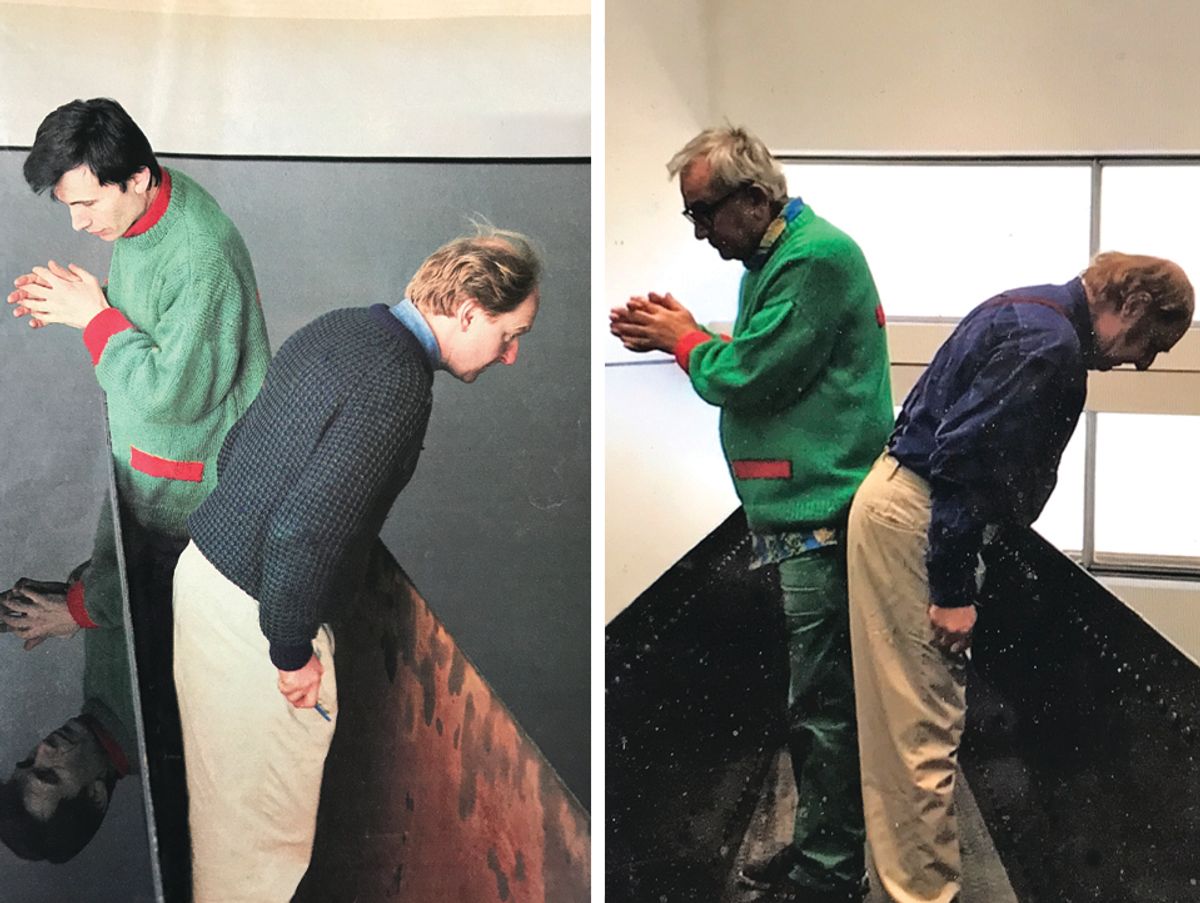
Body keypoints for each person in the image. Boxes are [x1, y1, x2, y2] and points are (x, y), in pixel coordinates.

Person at [170, 226, 541, 903]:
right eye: (509, 333)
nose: (510, 355)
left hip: (201, 579)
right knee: (261, 854)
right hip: (255, 622)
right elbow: (304, 531)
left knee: (222, 826)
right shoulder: (398, 384)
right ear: (466, 311)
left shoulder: (339, 327)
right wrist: (290, 651)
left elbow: (238, 452)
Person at [846, 252, 1194, 903]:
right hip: (923, 517)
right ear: (1136, 307)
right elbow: (960, 462)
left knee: (906, 726)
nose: (1145, 362)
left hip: (906, 506)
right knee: (922, 729)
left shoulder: (1029, 310)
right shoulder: (1049, 344)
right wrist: (952, 591)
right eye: (1155, 343)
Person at [610, 126, 893, 903]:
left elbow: (750, 374)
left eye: (704, 212)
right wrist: (687, 335)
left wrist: (685, 341)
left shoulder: (814, 259)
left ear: (756, 198)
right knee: (814, 699)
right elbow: (768, 354)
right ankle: (818, 843)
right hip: (800, 515)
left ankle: (832, 872)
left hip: (823, 518)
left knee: (822, 702)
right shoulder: (777, 255)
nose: (700, 231)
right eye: (690, 217)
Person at [5, 96, 271, 899]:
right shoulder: (142, 218)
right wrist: (94, 313)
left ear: (138, 177)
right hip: (160, 480)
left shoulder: (198, 249)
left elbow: (174, 398)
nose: (79, 220)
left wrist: (93, 318)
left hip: (184, 481)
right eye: (49, 772)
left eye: (85, 201)